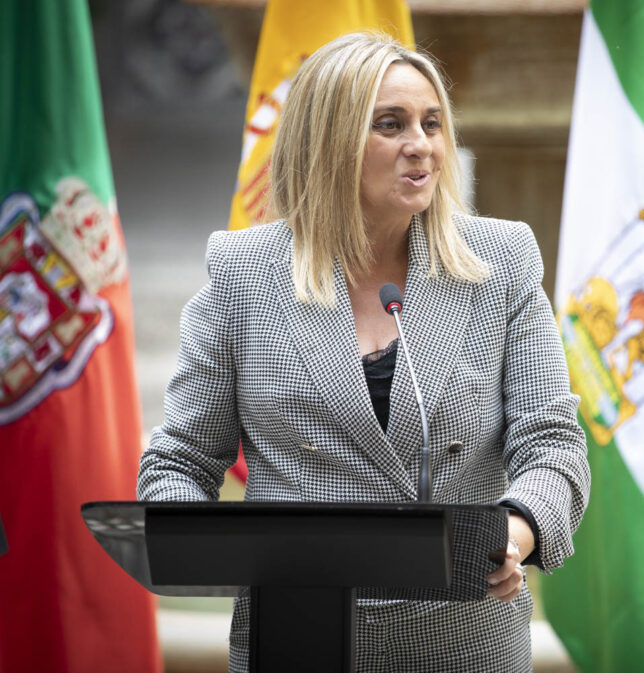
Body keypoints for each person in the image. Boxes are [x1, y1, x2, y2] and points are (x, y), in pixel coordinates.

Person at [137, 32, 590, 672]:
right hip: (297, 633)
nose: (423, 146)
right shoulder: (242, 273)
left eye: (433, 124)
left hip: (464, 638)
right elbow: (180, 460)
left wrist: (513, 537)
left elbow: (552, 443)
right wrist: (206, 546)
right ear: (330, 140)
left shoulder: (501, 262)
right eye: (390, 124)